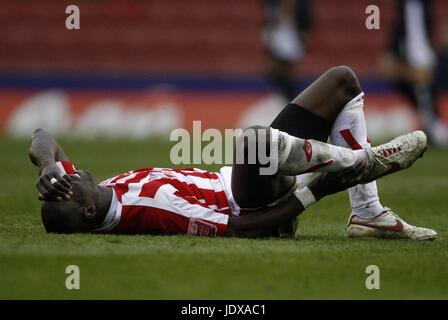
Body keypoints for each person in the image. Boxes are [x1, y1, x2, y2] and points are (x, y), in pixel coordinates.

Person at [29, 66, 436, 240]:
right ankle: (360, 163)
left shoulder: (100, 192)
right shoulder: (148, 210)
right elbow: (242, 227)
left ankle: (367, 214)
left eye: (62, 177)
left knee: (342, 80)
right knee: (254, 142)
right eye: (67, 184)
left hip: (246, 178)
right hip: (251, 203)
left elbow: (43, 135)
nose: (70, 175)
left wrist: (47, 165)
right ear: (86, 212)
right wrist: (318, 192)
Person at [381, 0, 448, 146]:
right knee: (424, 100)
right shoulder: (412, 6)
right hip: (414, 56)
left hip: (418, 58)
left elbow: (416, 31)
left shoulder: (417, 6)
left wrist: (418, 60)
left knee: (425, 100)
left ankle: (435, 130)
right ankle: (434, 130)